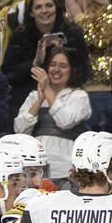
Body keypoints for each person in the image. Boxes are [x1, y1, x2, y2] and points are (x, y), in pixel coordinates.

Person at [13, 47, 91, 183]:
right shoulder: (33, 96)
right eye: (53, 65)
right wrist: (39, 100)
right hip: (35, 170)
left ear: (72, 70)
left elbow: (65, 121)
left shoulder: (78, 96)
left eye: (63, 66)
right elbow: (19, 130)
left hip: (64, 169)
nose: (56, 70)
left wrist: (47, 90)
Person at [64, 0, 112, 130]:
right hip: (70, 90)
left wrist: (79, 16)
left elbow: (99, 42)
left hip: (96, 91)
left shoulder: (106, 11)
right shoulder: (67, 16)